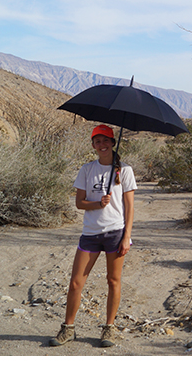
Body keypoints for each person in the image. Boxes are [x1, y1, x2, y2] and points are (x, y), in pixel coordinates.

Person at [49, 124, 136, 348]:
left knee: (113, 280)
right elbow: (79, 203)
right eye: (98, 141)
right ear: (93, 145)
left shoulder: (124, 170)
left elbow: (129, 207)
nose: (102, 145)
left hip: (115, 232)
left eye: (106, 140)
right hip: (90, 233)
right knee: (76, 282)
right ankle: (68, 328)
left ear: (112, 143)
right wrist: (98, 203)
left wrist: (127, 236)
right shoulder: (86, 170)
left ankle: (109, 328)